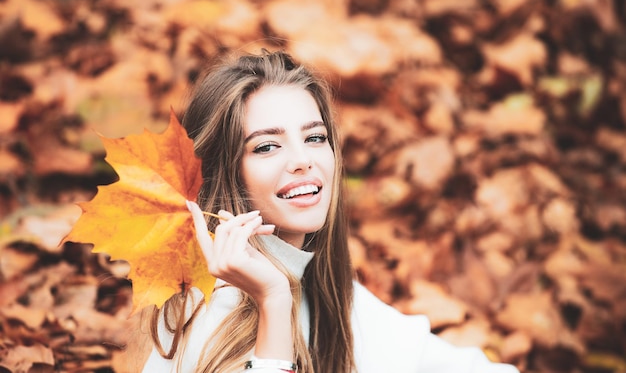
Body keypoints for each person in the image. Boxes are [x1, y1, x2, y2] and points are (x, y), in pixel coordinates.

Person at [141, 50, 520, 373]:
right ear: (223, 171)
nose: (303, 160)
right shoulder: (207, 311)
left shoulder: (324, 289)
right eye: (267, 147)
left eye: (315, 138)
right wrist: (273, 301)